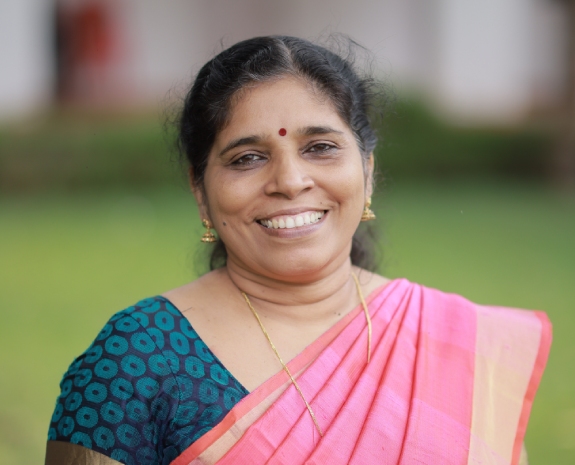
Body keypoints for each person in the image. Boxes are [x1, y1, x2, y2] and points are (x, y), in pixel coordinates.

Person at [45, 36, 551, 465]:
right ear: (200, 190)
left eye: (320, 147)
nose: (289, 181)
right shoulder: (132, 361)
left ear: (367, 171)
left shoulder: (458, 348)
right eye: (248, 157)